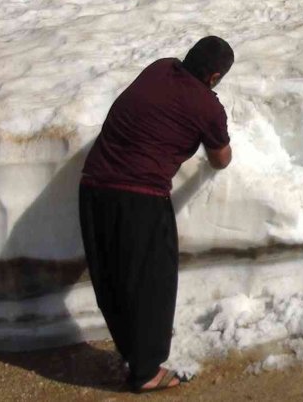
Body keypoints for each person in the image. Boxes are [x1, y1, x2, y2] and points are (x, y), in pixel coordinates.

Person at [78, 36, 234, 391]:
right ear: (214, 77)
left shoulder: (160, 67)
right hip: (139, 198)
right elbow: (220, 159)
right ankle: (147, 371)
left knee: (112, 278)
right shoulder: (207, 107)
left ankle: (132, 354)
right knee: (152, 283)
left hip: (93, 186)